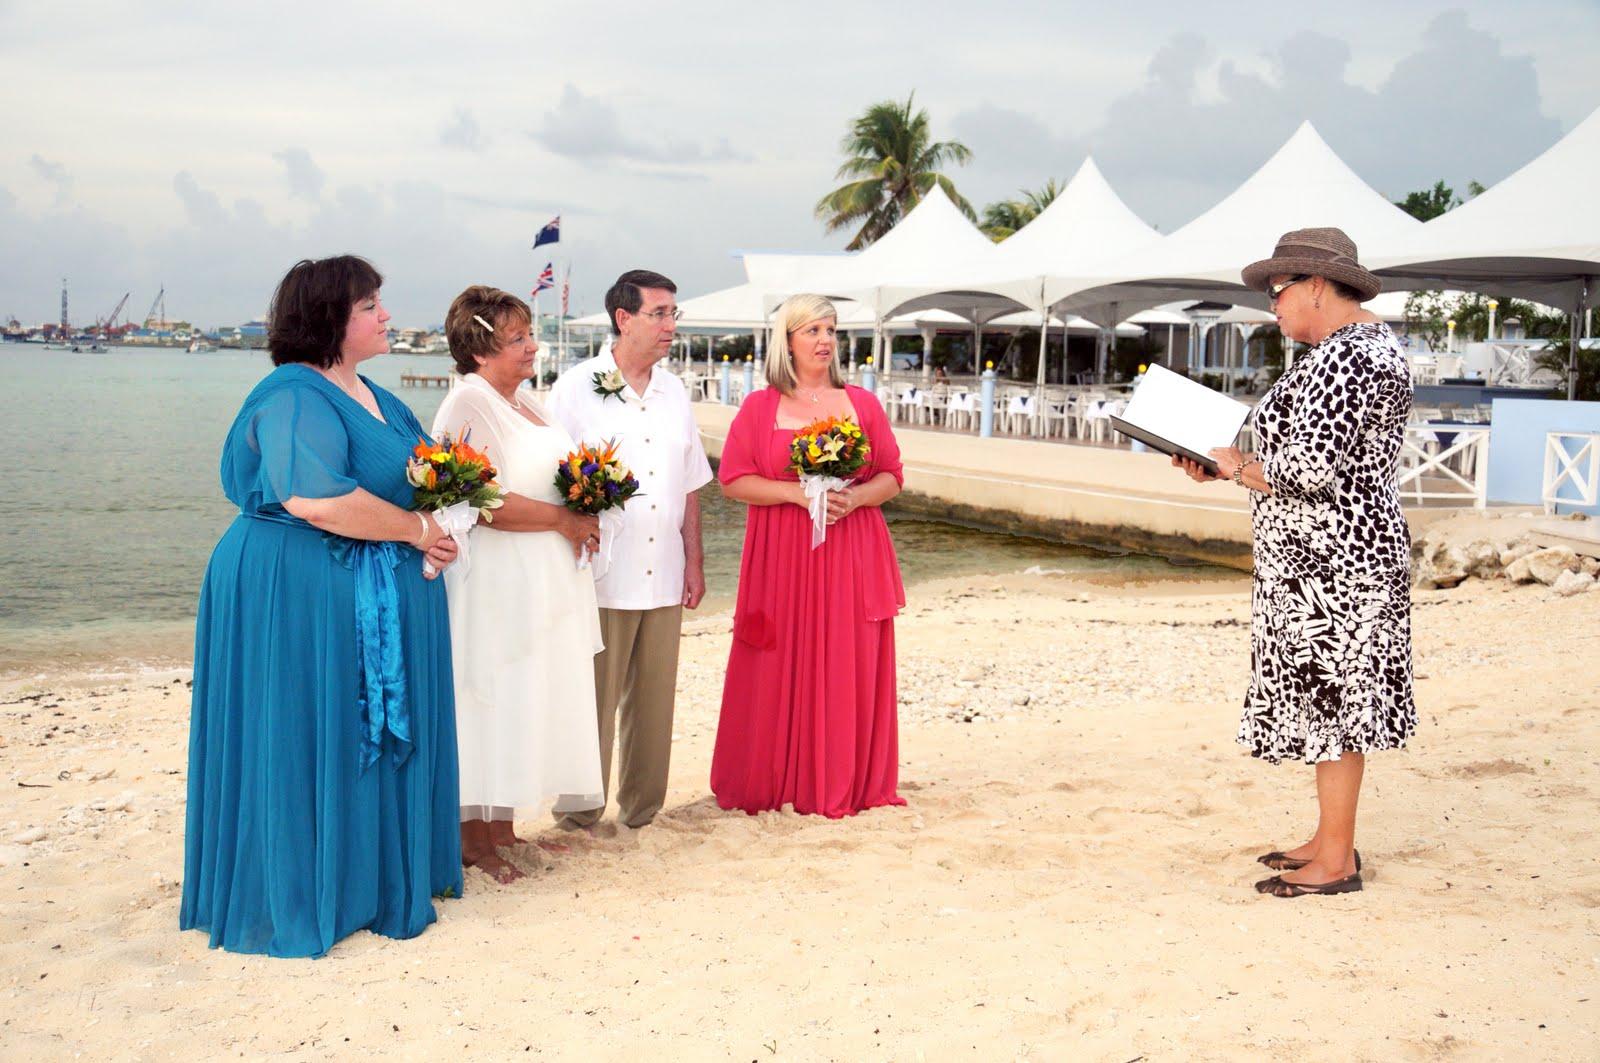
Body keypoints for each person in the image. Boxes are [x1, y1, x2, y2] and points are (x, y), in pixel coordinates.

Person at [182, 256, 464, 957]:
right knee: (304, 727)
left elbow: (419, 479)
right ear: (329, 319)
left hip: (362, 587)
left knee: (346, 731)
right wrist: (414, 530)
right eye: (370, 305)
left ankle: (365, 881)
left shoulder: (377, 395)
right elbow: (315, 497)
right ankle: (302, 887)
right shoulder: (293, 394)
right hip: (292, 588)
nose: (385, 316)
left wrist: (438, 527)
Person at [1174, 228, 1416, 898]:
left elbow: (1308, 469)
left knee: (1336, 700)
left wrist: (1237, 465)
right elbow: (1301, 458)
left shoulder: (1351, 359)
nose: (1271, 308)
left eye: (1277, 293)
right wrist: (1227, 469)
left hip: (1337, 564)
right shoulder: (1347, 351)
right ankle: (1328, 837)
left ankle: (1335, 859)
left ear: (1314, 284)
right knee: (1327, 697)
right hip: (1327, 559)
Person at [432, 286, 606, 883]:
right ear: (479, 351)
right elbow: (480, 502)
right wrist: (563, 518)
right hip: (498, 581)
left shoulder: (529, 402)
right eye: (517, 339)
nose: (532, 347)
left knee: (526, 695)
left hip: (545, 578)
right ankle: (472, 842)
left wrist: (589, 501)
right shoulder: (466, 406)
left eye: (529, 335)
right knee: (490, 696)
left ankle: (504, 829)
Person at [712, 294, 907, 817]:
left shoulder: (862, 404)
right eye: (812, 330)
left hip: (851, 550)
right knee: (778, 656)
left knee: (848, 659)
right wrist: (798, 495)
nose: (824, 340)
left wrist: (857, 497)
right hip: (782, 554)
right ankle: (775, 779)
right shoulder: (759, 406)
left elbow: (892, 474)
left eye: (831, 330)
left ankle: (844, 779)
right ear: (789, 340)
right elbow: (733, 480)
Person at [545, 270, 713, 831]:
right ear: (624, 318)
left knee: (654, 698)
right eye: (660, 313)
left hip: (664, 569)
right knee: (592, 694)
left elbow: (690, 481)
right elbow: (550, 478)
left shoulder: (675, 390)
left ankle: (642, 809)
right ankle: (579, 811)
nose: (670, 325)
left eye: (673, 314)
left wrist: (695, 559)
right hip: (601, 570)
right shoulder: (575, 387)